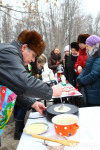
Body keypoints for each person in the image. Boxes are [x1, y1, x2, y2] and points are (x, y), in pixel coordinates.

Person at [0, 30, 62, 146]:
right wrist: (51, 91)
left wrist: (32, 103)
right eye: (33, 55)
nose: (33, 60)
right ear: (24, 47)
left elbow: (12, 90)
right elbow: (24, 83)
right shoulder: (8, 52)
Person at [14, 54, 47, 140]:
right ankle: (18, 132)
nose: (40, 67)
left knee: (22, 108)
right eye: (40, 65)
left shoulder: (32, 67)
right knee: (22, 109)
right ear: (37, 62)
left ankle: (19, 129)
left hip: (23, 91)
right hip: (21, 91)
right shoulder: (28, 66)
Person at [77, 35, 100, 106]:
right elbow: (86, 69)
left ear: (94, 46)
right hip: (90, 90)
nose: (86, 48)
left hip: (95, 92)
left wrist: (81, 81)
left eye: (87, 46)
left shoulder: (98, 56)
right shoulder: (92, 55)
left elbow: (94, 74)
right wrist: (79, 78)